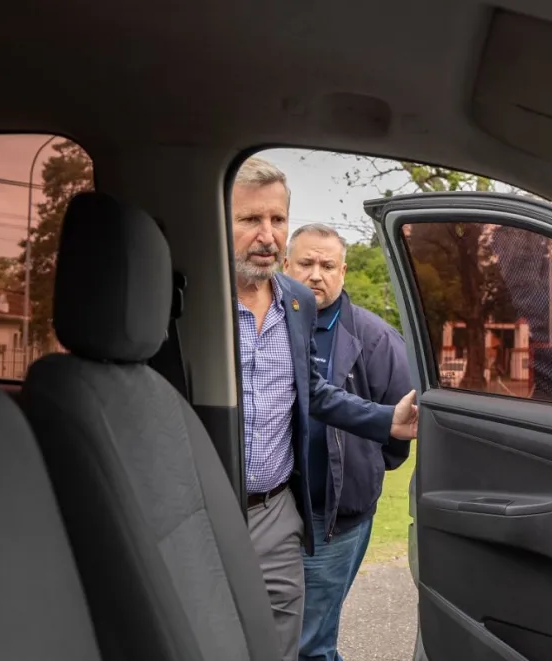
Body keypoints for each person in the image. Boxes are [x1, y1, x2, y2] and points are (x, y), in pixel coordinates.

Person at [231, 157, 418, 661]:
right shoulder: (202, 300)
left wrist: (387, 421)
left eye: (277, 219)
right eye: (250, 219)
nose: (266, 234)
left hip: (282, 511)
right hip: (211, 508)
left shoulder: (296, 304)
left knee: (296, 644)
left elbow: (313, 392)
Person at [282, 223, 412, 661]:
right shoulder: (267, 324)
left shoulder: (378, 339)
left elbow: (397, 434)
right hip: (270, 509)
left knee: (310, 643)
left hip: (330, 518)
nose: (316, 274)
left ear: (343, 272)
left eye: (327, 265)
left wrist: (357, 469)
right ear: (285, 265)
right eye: (306, 263)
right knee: (272, 630)